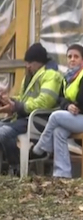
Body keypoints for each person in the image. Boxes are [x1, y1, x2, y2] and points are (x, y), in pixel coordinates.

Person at [0, 42, 63, 172]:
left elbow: (45, 102)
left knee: (4, 132)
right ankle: (19, 160)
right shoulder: (29, 77)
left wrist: (17, 106)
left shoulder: (52, 75)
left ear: (38, 62)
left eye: (30, 62)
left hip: (38, 120)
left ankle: (16, 167)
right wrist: (9, 101)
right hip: (23, 117)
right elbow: (22, 98)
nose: (27, 66)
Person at [30, 44, 83, 178]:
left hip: (81, 116)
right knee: (58, 131)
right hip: (74, 117)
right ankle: (62, 174)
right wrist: (67, 106)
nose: (72, 59)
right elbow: (60, 98)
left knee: (55, 116)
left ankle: (40, 148)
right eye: (69, 56)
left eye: (76, 56)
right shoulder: (68, 77)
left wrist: (76, 106)